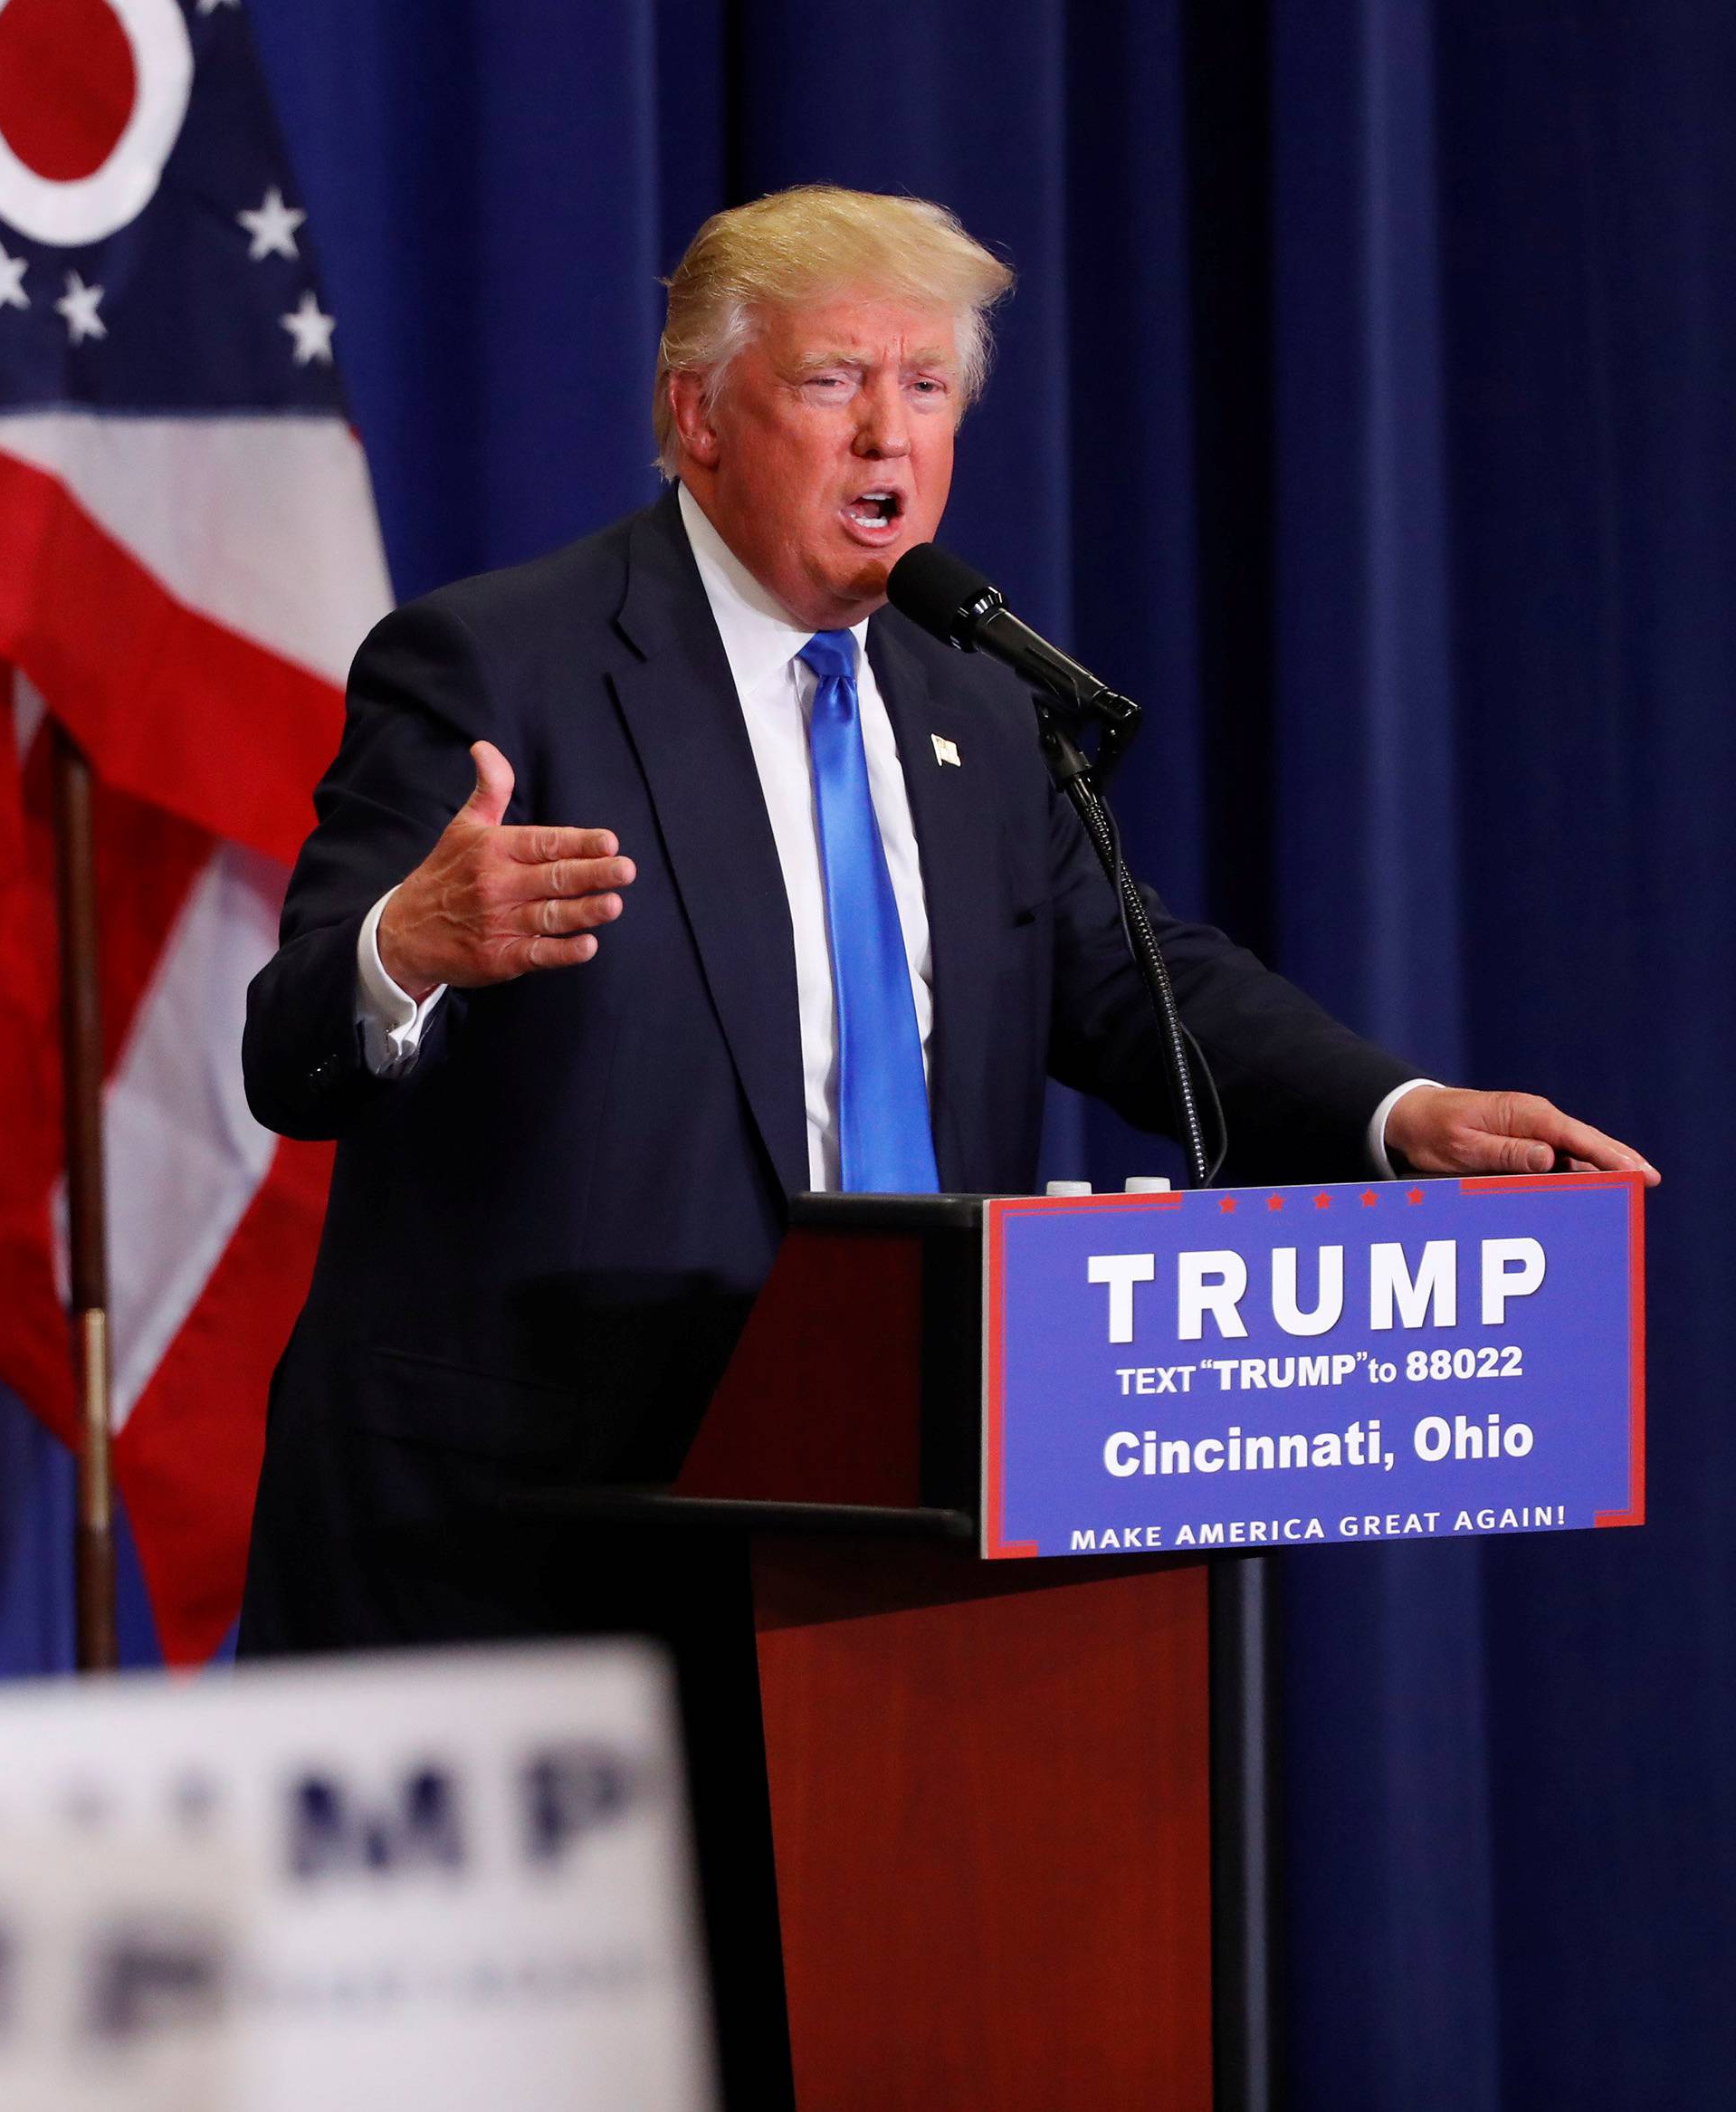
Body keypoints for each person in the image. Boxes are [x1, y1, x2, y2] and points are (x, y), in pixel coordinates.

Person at [237, 186, 1655, 1656]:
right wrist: (402, 946)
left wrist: (1401, 1113)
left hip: (890, 1527)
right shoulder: (495, 663)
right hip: (536, 1547)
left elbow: (1136, 982)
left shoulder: (971, 696)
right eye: (835, 381)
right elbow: (288, 1054)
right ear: (701, 414)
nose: (888, 436)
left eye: (926, 388)